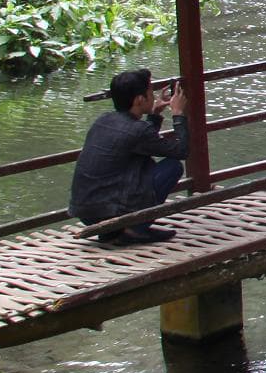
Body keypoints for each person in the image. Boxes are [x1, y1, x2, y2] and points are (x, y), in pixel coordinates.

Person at [71, 68, 189, 243]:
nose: (153, 96)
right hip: (109, 210)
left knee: (141, 166)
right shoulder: (138, 130)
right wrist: (178, 114)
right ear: (139, 99)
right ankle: (134, 229)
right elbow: (182, 151)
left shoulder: (103, 120)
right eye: (150, 93)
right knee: (172, 166)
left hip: (87, 213)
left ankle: (114, 230)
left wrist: (154, 115)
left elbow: (140, 143)